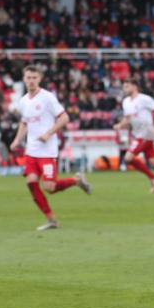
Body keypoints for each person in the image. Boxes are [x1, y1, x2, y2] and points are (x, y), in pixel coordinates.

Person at [10, 65, 91, 230]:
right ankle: (51, 219)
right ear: (24, 79)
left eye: (34, 78)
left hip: (47, 151)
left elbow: (64, 118)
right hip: (31, 151)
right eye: (28, 78)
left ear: (39, 79)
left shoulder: (47, 97)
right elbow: (25, 122)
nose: (31, 81)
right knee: (31, 183)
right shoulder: (23, 101)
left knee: (50, 188)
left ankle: (76, 181)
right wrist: (17, 140)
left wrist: (48, 133)